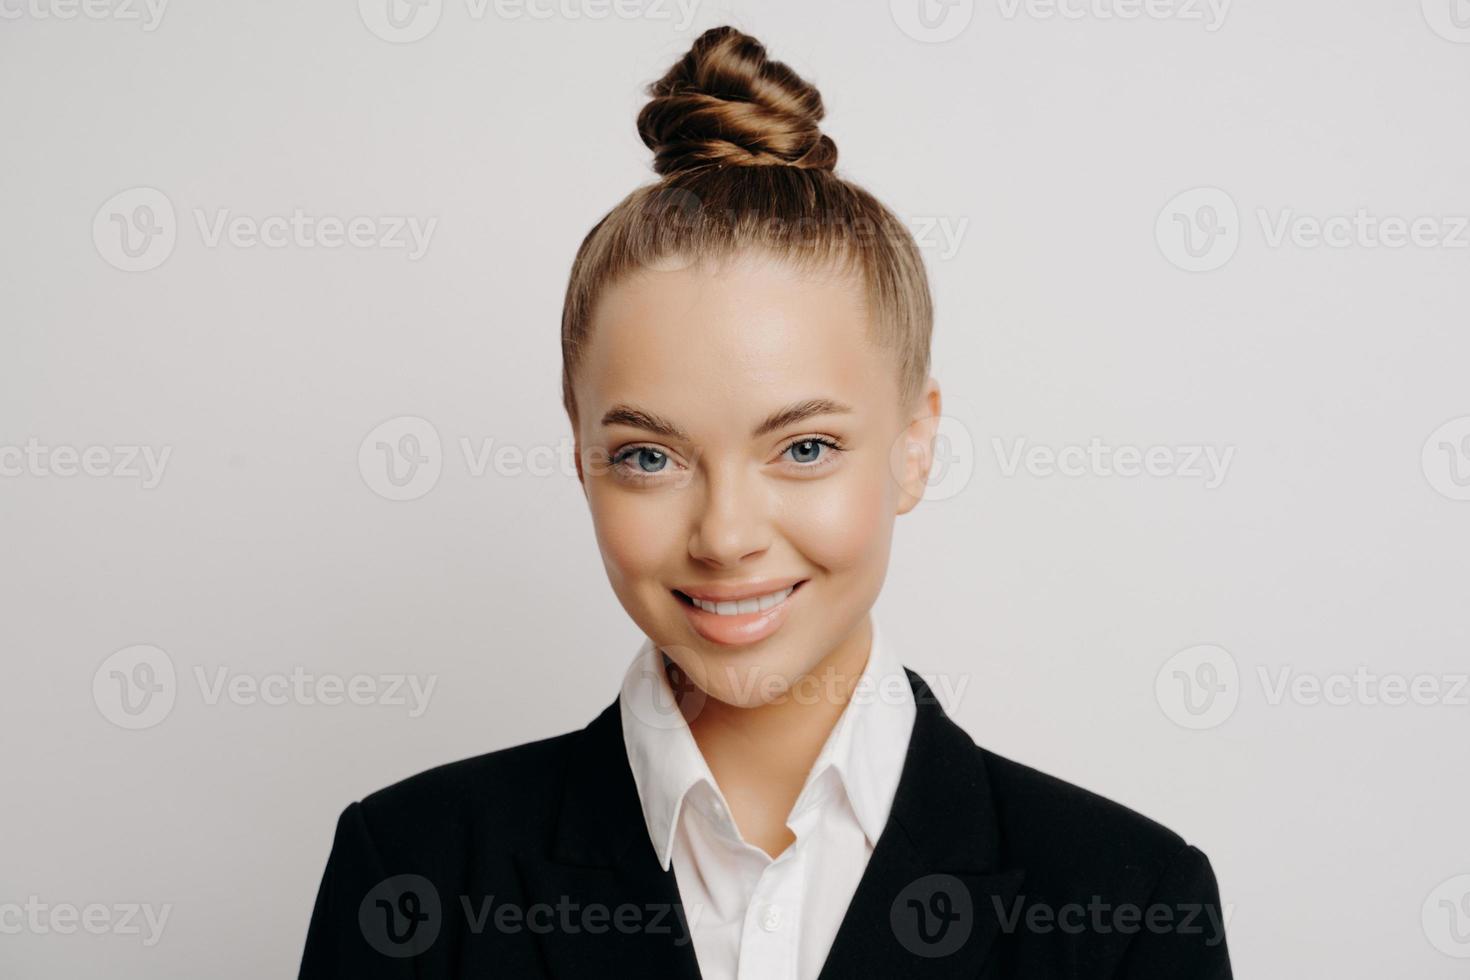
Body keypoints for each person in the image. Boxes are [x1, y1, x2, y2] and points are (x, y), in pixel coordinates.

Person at [299, 25, 1232, 979]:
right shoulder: (410, 872)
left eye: (805, 447)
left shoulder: (1131, 910)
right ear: (580, 456)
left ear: (916, 447)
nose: (726, 536)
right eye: (650, 456)